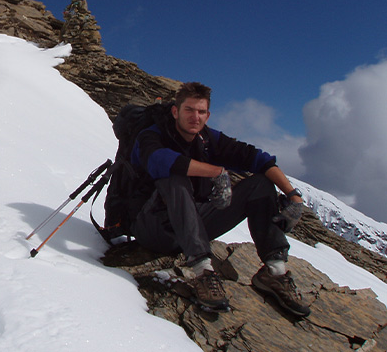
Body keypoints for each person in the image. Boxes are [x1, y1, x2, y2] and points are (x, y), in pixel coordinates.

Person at [130, 82, 310, 316]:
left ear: (208, 114)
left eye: (201, 112)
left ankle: (274, 272)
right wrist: (216, 172)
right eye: (189, 110)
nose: (195, 117)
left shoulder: (206, 139)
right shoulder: (151, 136)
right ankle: (203, 272)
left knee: (261, 184)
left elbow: (258, 159)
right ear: (175, 111)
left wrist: (292, 196)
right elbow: (160, 162)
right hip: (152, 227)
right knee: (174, 177)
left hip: (191, 224)